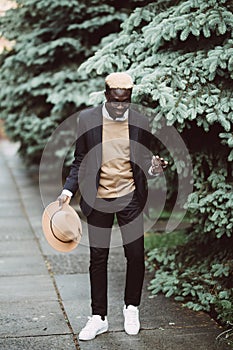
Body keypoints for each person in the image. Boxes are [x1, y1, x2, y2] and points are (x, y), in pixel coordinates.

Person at [58, 72, 168, 341]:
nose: (121, 106)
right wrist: (67, 191)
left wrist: (154, 168)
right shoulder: (88, 119)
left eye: (126, 101)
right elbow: (80, 159)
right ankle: (99, 318)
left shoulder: (140, 121)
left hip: (130, 197)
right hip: (98, 198)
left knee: (136, 255)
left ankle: (132, 308)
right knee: (98, 258)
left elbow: (143, 161)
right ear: (106, 95)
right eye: (116, 101)